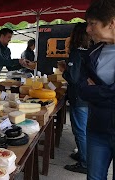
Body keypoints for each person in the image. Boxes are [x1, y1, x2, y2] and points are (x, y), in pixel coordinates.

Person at [79, 0, 115, 179]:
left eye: (92, 23)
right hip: (97, 129)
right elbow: (82, 89)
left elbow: (90, 91)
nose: (87, 29)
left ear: (111, 23)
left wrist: (97, 91)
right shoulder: (93, 53)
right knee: (94, 177)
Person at [58, 22, 90, 174]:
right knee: (84, 129)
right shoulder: (89, 50)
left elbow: (73, 77)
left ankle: (84, 163)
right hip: (87, 96)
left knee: (80, 130)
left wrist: (64, 70)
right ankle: (82, 155)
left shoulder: (77, 53)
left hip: (78, 97)